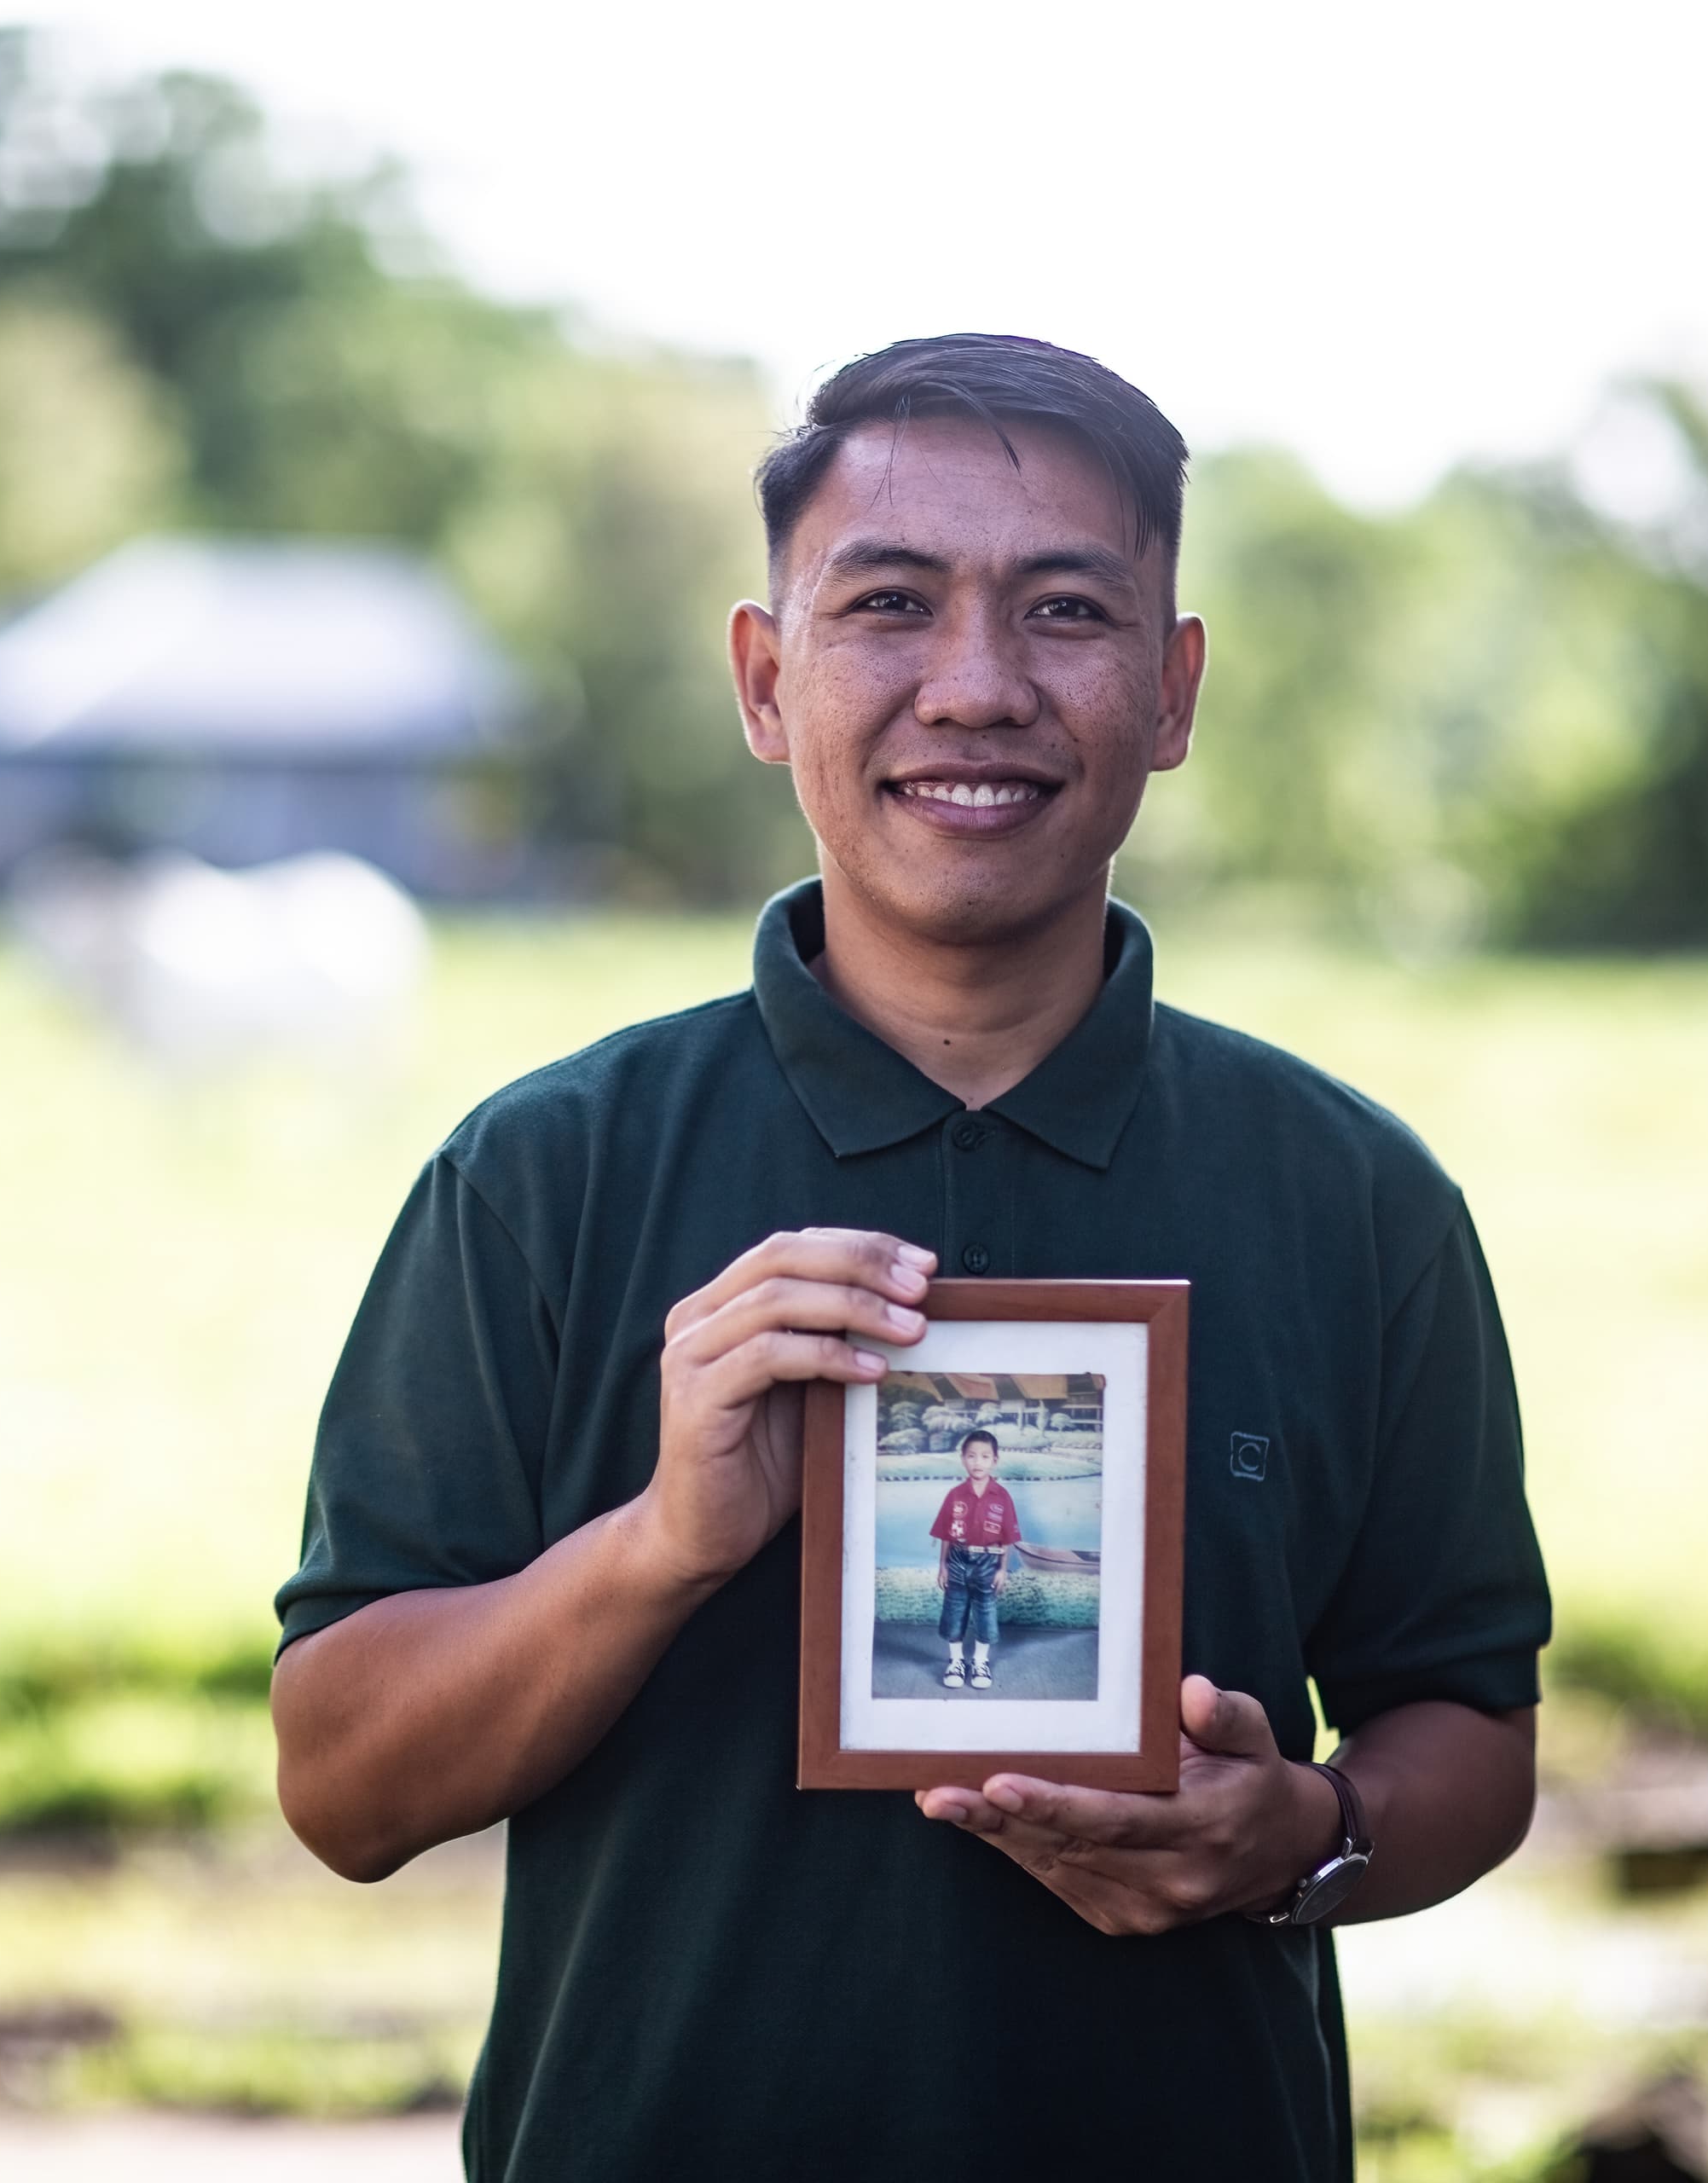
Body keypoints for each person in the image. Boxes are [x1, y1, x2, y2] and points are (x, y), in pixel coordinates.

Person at [271, 333, 1548, 2180]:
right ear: (766, 679)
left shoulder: (1354, 1197)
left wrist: (1306, 1829)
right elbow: (343, 1787)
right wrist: (660, 1542)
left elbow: (1476, 1738)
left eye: (1064, 612)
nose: (977, 686)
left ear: (1174, 688)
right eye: (889, 603)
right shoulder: (543, 1174)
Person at [929, 1427, 1022, 1688]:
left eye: (984, 1456)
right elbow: (945, 1533)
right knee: (955, 1608)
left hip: (987, 1562)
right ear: (962, 1459)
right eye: (971, 1456)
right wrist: (943, 1566)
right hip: (957, 1559)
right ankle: (956, 1662)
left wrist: (1002, 1569)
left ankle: (980, 1662)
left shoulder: (1002, 1497)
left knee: (985, 1610)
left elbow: (1007, 1538)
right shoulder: (955, 1495)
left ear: (995, 1460)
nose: (977, 1462)